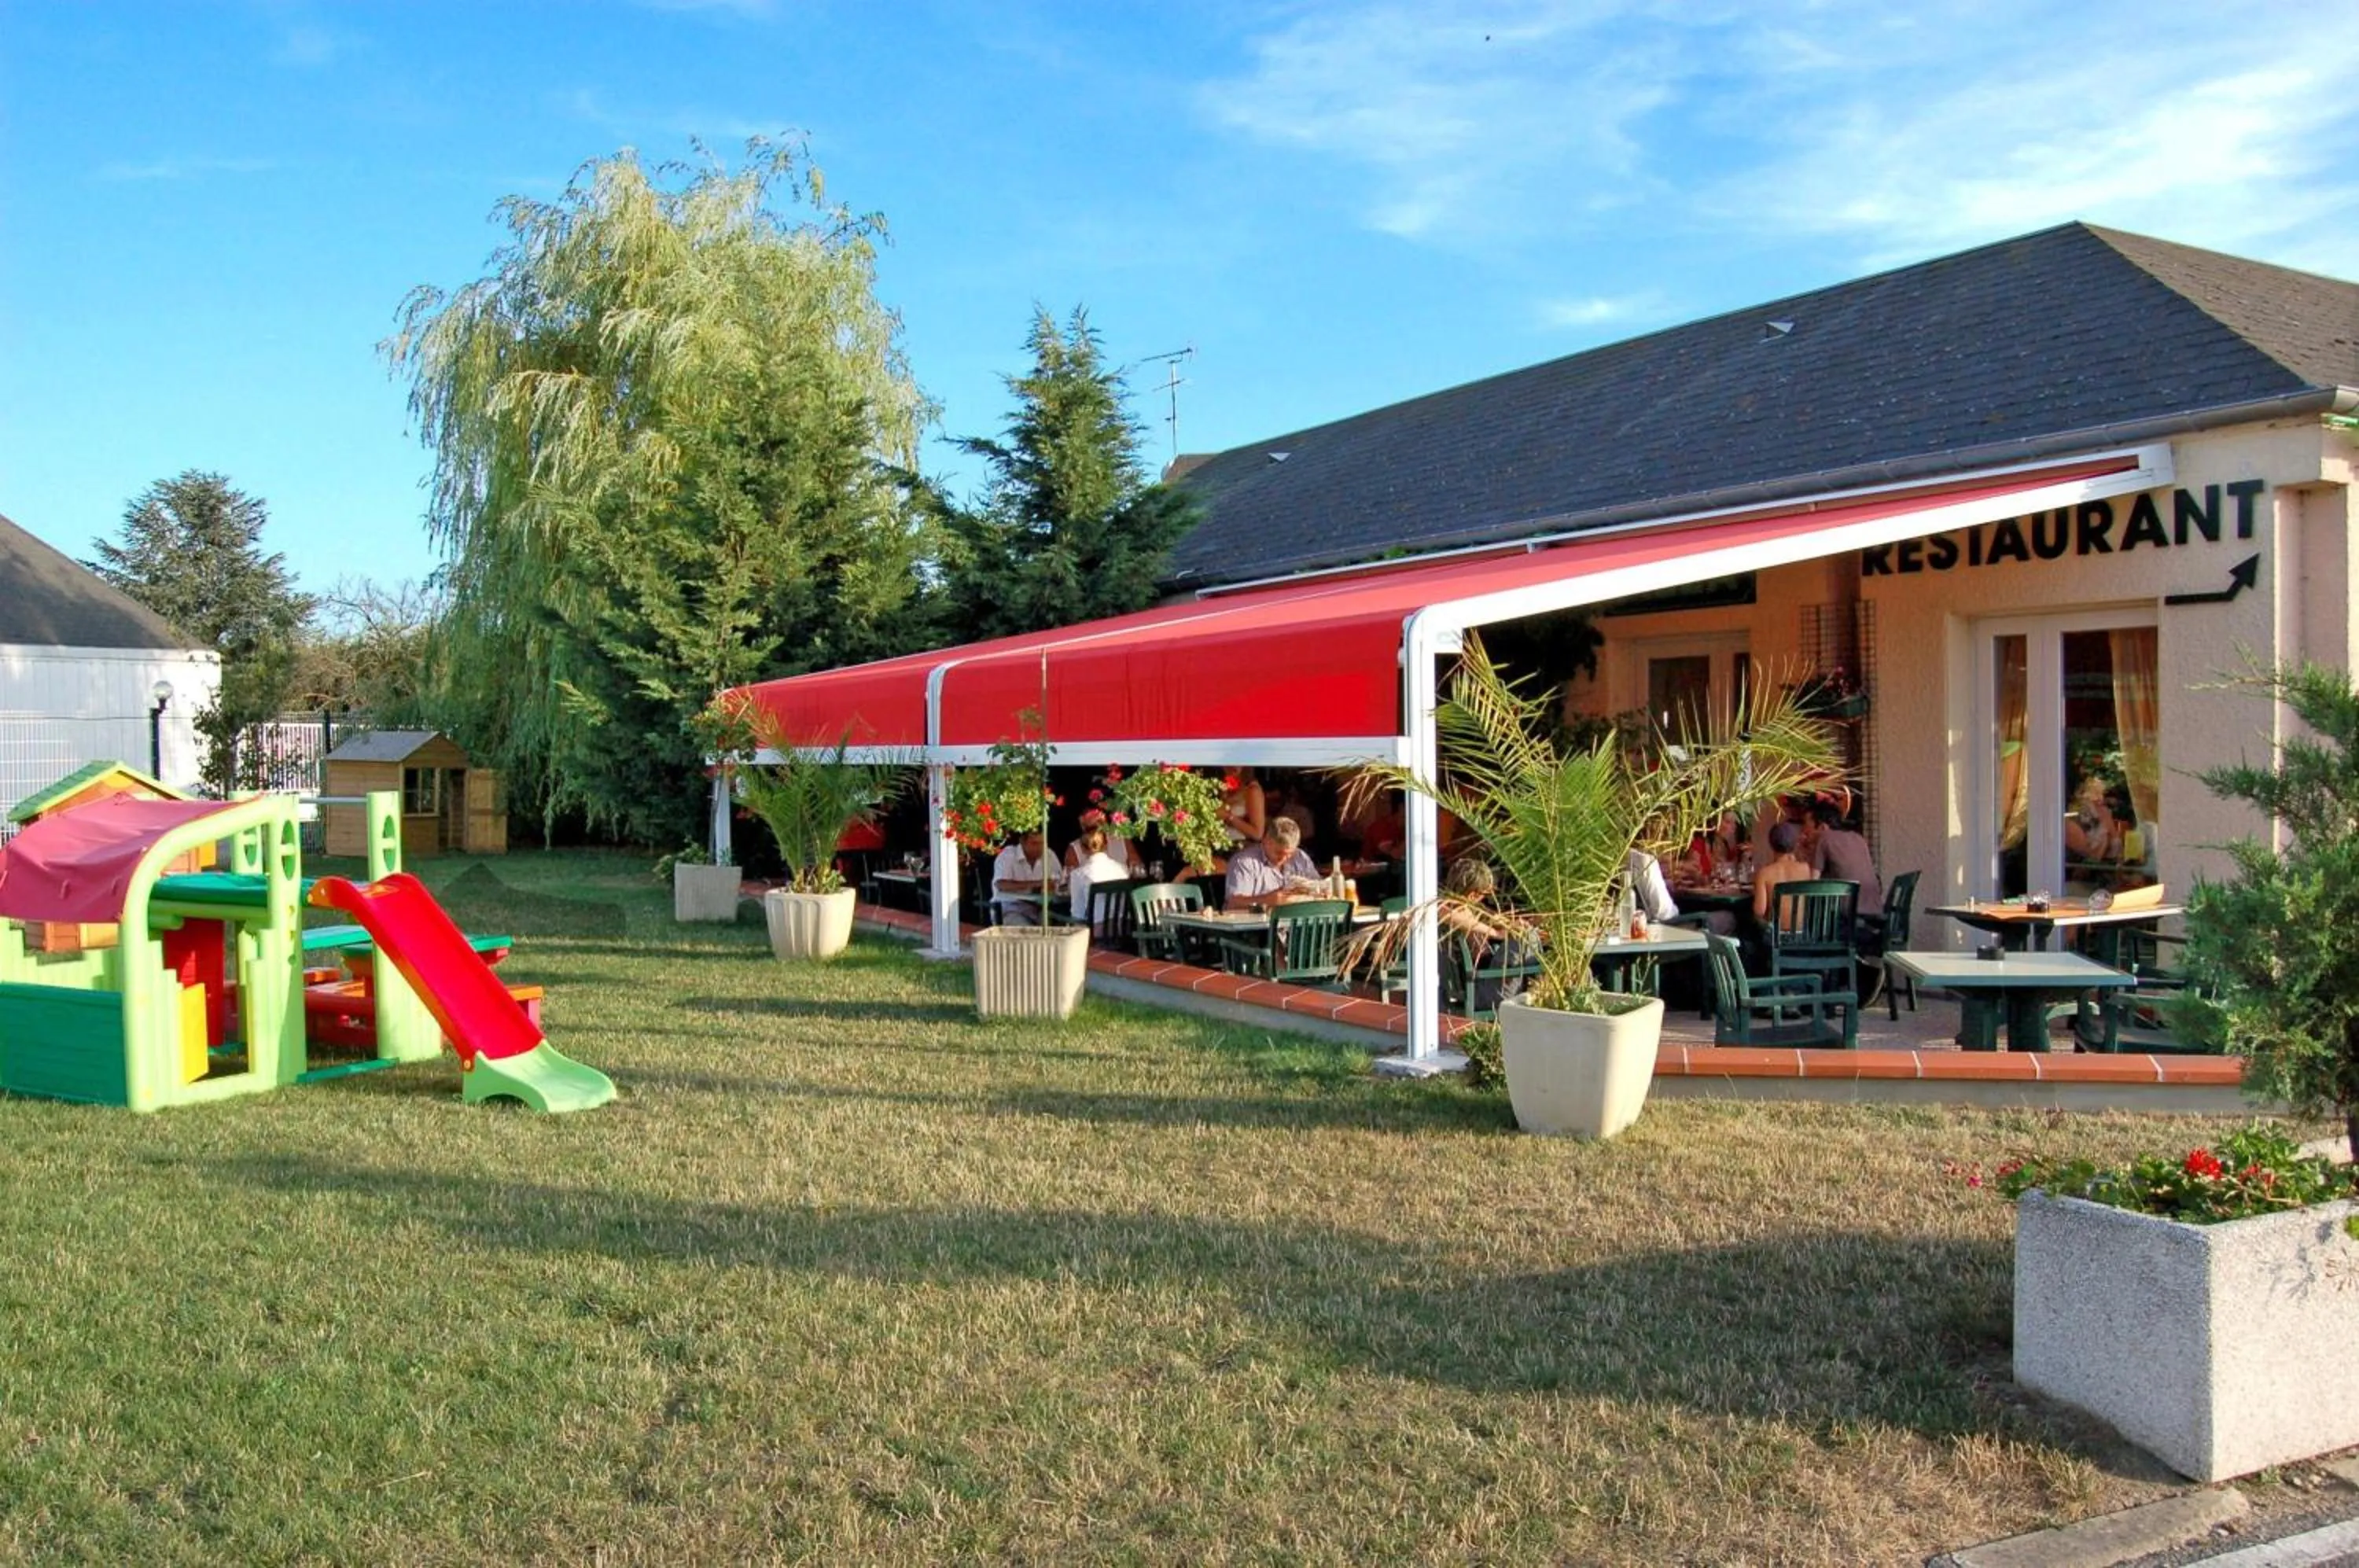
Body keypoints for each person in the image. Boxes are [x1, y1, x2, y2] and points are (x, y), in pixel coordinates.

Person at [1224, 815, 1319, 912]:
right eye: (1279, 853)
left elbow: (1319, 887)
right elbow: (1233, 903)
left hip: (1298, 921)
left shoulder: (1300, 857)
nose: (1284, 858)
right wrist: (1266, 900)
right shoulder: (1245, 862)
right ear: (1266, 841)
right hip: (1258, 925)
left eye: (1289, 854)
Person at [1803, 801, 1882, 915]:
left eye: (1806, 824)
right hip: (1874, 910)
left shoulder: (1825, 838)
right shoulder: (1857, 837)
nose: (1804, 831)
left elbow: (1813, 885)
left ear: (1822, 826)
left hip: (1848, 915)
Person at [1064, 825, 1133, 937]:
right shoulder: (1122, 869)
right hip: (1123, 928)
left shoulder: (1079, 874)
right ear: (1106, 845)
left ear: (1082, 849)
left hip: (1097, 931)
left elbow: (1078, 913)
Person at [990, 829, 1064, 926]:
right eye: (1034, 843)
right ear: (1022, 842)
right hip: (1011, 909)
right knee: (1029, 932)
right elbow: (1001, 884)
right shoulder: (1008, 855)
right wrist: (1038, 884)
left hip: (1040, 909)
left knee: (1054, 929)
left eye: (1042, 843)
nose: (1039, 848)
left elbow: (1059, 882)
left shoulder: (1049, 855)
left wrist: (1053, 886)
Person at [1751, 819, 1815, 923]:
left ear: (1771, 844)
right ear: (1795, 844)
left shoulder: (1765, 873)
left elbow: (1759, 911)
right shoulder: (1805, 869)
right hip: (1803, 935)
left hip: (1775, 937)